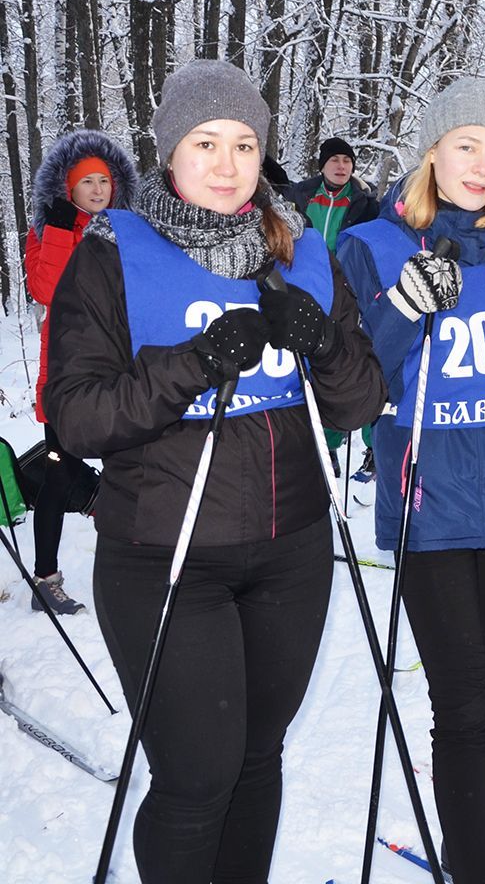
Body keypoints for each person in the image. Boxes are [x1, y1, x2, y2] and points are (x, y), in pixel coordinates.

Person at [44, 59, 386, 884]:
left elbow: (362, 402)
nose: (229, 164)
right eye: (206, 142)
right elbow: (77, 416)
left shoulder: (300, 253)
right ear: (169, 150)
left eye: (244, 143)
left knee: (258, 758)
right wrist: (192, 362)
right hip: (164, 557)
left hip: (291, 553)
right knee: (198, 777)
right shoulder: (112, 254)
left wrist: (324, 343)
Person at [338, 78, 485, 884]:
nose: (483, 165)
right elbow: (357, 384)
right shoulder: (375, 245)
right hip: (432, 505)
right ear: (432, 153)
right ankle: (475, 864)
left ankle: (476, 853)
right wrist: (405, 306)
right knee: (464, 698)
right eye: (467, 145)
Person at [23, 129, 137, 614]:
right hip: (67, 371)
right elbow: (48, 290)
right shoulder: (47, 233)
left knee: (128, 467)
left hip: (119, 371)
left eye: (103, 181)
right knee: (56, 466)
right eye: (85, 181)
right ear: (67, 189)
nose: (96, 189)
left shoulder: (130, 231)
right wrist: (56, 230)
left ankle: (132, 568)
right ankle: (46, 578)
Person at [283, 136, 382, 477]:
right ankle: (328, 444)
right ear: (322, 165)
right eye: (335, 160)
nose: (342, 167)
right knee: (318, 366)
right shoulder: (300, 196)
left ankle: (375, 445)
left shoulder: (365, 202)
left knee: (352, 363)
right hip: (307, 289)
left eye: (348, 161)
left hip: (350, 292)